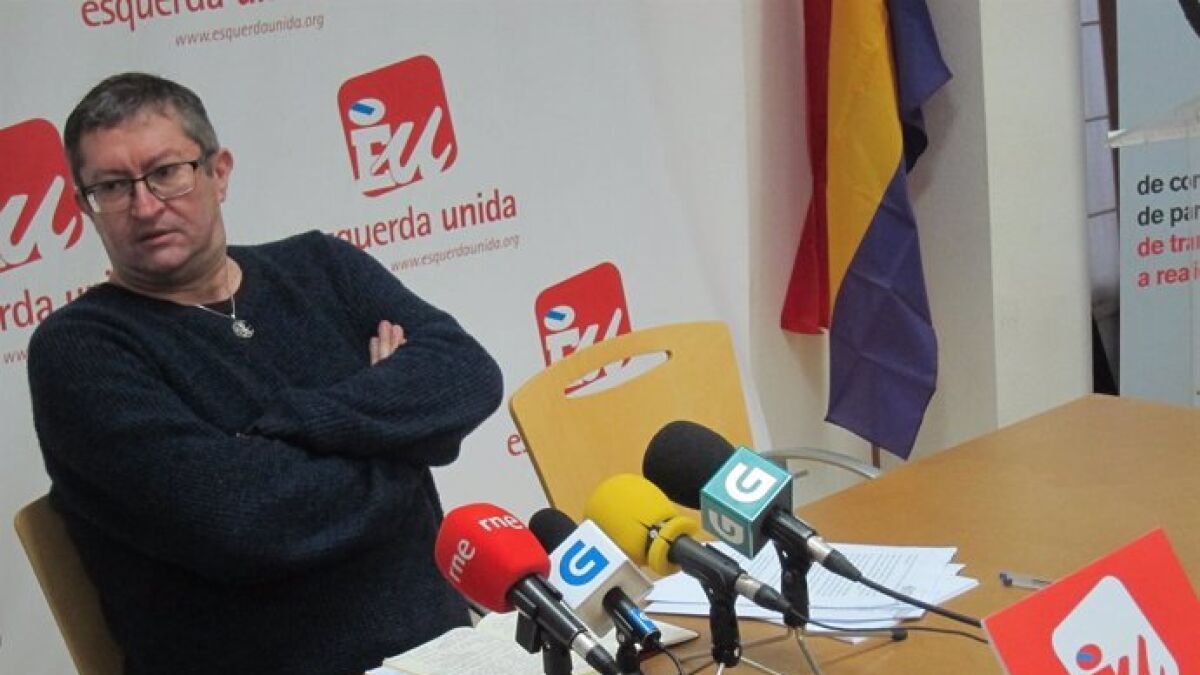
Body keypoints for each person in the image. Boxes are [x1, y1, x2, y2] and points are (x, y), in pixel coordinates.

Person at [26, 72, 504, 675]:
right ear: (84, 206)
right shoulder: (79, 350)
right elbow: (241, 523)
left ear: (218, 171)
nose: (145, 206)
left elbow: (467, 374)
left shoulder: (320, 264)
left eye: (166, 172)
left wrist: (287, 424)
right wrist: (403, 444)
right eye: (113, 187)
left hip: (446, 649)